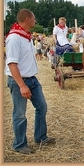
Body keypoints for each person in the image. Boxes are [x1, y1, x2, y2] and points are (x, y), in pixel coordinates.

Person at [5, 9, 56, 154]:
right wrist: (22, 85)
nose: (36, 20)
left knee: (42, 106)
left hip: (32, 79)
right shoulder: (14, 38)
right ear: (27, 19)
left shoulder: (25, 36)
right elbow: (12, 64)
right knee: (20, 114)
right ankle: (20, 145)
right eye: (34, 18)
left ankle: (40, 137)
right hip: (19, 82)